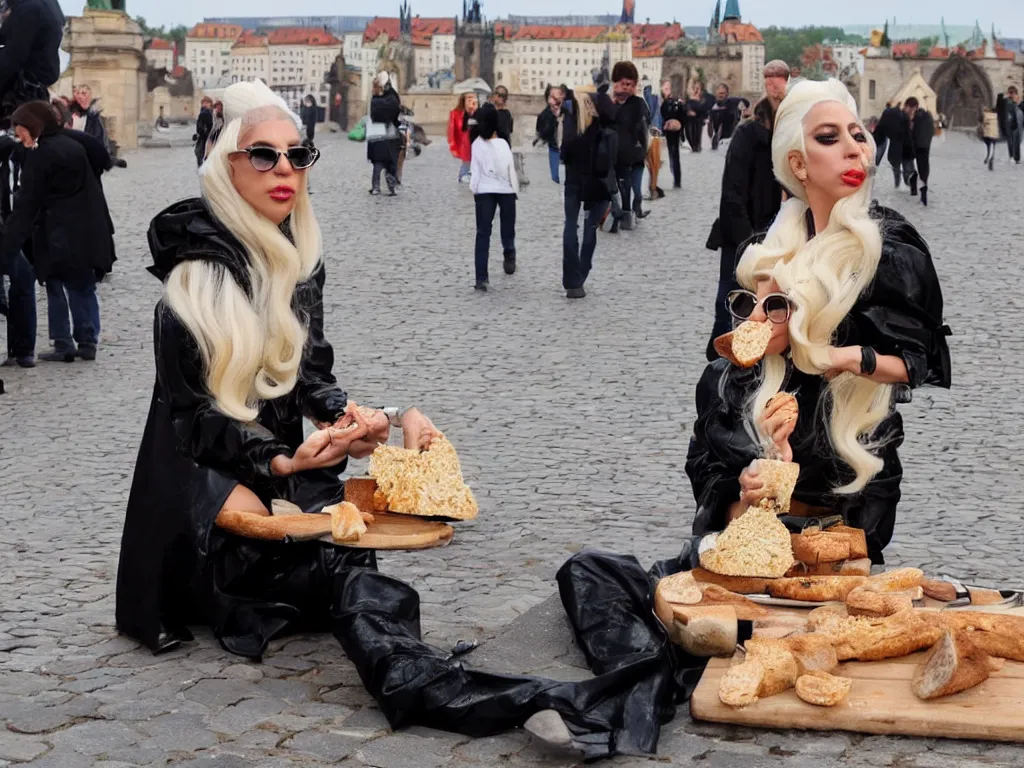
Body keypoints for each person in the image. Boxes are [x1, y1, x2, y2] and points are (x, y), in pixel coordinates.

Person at [117, 79, 697, 760]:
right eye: (263, 156)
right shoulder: (189, 289)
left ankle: (456, 681)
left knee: (355, 564)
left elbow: (311, 380)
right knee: (347, 570)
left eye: (296, 156)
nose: (283, 171)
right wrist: (280, 460)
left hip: (286, 485)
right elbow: (194, 422)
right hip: (205, 503)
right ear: (225, 165)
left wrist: (377, 418)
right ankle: (449, 688)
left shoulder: (299, 261)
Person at [687, 79, 951, 562]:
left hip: (848, 458)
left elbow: (920, 362)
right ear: (798, 164)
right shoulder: (774, 246)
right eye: (830, 138)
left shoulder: (889, 249)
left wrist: (848, 357)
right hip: (772, 442)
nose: (854, 149)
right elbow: (749, 347)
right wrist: (758, 476)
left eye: (858, 134)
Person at [0, 101, 114, 363]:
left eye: (21, 131)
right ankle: (86, 341)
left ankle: (63, 342)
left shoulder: (43, 154)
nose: (19, 137)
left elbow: (28, 203)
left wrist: (8, 246)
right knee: (82, 286)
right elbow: (101, 159)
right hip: (84, 227)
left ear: (32, 126)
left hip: (56, 230)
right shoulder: (73, 144)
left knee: (56, 284)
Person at [704, 95, 782, 361]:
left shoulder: (784, 143)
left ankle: (742, 351)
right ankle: (719, 351)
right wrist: (746, 240)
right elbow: (733, 192)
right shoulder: (746, 137)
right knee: (730, 292)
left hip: (771, 229)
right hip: (742, 228)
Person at [560, 89, 617, 298]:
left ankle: (571, 281)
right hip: (597, 184)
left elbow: (564, 154)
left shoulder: (572, 124)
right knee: (590, 228)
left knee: (570, 225)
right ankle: (581, 274)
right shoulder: (601, 124)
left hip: (574, 182)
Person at [470, 104, 517, 291]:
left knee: (483, 232)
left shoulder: (478, 144)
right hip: (504, 190)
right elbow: (509, 169)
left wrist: (474, 189)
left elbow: (475, 171)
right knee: (507, 228)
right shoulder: (503, 143)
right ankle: (509, 251)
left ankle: (481, 277)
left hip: (485, 190)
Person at [0, 0, 65, 124]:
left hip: (22, 89)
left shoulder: (29, 8)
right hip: (34, 86)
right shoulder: (45, 4)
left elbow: (14, 56)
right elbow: (12, 34)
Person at [608, 61, 649, 232]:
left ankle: (632, 210)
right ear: (615, 82)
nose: (626, 88)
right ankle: (620, 217)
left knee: (633, 190)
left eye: (630, 85)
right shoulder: (607, 103)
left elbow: (645, 119)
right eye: (623, 84)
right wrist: (613, 102)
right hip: (612, 155)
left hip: (634, 155)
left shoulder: (637, 103)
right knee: (617, 189)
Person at [366, 74, 401, 196]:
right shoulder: (391, 98)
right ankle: (391, 187)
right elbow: (396, 111)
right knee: (390, 162)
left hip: (376, 135)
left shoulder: (374, 100)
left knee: (378, 163)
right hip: (389, 134)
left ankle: (376, 187)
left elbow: (373, 116)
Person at [905, 97, 933, 206]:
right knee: (924, 170)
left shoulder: (916, 118)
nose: (906, 109)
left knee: (921, 171)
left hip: (919, 148)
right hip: (925, 148)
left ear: (914, 107)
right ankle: (923, 194)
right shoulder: (927, 116)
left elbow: (913, 134)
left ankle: (923, 196)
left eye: (908, 107)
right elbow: (931, 131)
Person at [535, 85, 564, 183]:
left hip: (564, 149)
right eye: (553, 97)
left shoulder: (567, 112)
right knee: (556, 178)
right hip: (554, 149)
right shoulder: (545, 115)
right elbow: (542, 132)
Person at [659, 79, 685, 189]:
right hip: (659, 132)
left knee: (674, 154)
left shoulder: (674, 103)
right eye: (665, 88)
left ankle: (677, 180)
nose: (667, 90)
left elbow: (681, 117)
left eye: (668, 88)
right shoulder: (658, 101)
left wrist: (677, 125)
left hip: (671, 132)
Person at [707, 83, 748, 150]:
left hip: (732, 137)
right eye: (719, 93)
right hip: (718, 140)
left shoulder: (733, 101)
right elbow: (710, 131)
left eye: (723, 93)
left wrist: (743, 108)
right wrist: (709, 124)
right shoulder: (712, 107)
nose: (721, 95)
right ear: (716, 94)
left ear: (727, 94)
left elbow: (745, 102)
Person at [447, 91, 475, 182]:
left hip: (474, 142)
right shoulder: (456, 113)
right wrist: (453, 145)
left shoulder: (476, 112)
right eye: (469, 98)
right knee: (466, 162)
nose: (472, 100)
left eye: (473, 97)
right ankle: (463, 176)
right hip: (464, 143)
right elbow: (452, 130)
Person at [683, 81, 712, 153]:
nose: (696, 90)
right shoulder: (689, 99)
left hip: (699, 121)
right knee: (689, 136)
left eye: (698, 88)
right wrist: (688, 111)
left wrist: (696, 112)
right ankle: (693, 148)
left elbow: (705, 110)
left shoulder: (703, 100)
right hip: (689, 121)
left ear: (701, 90)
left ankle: (697, 149)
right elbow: (686, 107)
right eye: (695, 88)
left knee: (697, 139)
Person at [1002, 86, 1022, 165]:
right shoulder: (1006, 101)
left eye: (1013, 92)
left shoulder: (1017, 100)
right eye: (1010, 92)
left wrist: (1018, 102)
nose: (1012, 94)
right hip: (1009, 123)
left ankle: (1016, 158)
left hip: (1018, 123)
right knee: (1010, 140)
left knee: (1017, 140)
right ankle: (1011, 156)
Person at [194, 96, 214, 167]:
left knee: (201, 156)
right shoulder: (205, 113)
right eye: (204, 103)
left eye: (207, 103)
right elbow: (203, 127)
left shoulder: (205, 113)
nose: (205, 104)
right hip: (206, 139)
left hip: (205, 139)